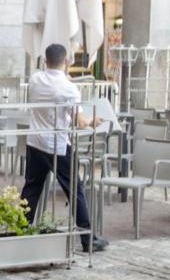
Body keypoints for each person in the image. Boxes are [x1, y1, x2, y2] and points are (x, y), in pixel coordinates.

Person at [23, 43, 107, 252]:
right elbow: (79, 121)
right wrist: (92, 121)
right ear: (67, 62)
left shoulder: (35, 79)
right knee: (75, 190)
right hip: (57, 145)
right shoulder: (69, 88)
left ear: (45, 61)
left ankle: (20, 230)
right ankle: (88, 239)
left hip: (35, 141)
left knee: (32, 188)